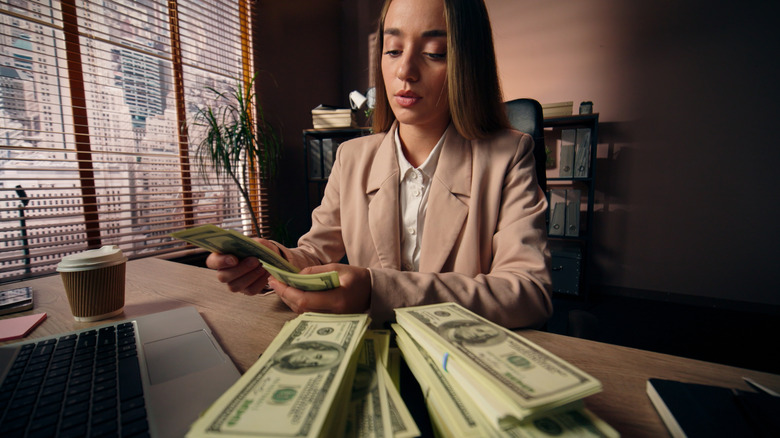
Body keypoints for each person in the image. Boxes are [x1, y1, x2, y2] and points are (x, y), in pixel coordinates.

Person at [207, 0, 552, 329]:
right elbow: (314, 252)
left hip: (461, 356)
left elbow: (528, 292)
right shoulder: (352, 157)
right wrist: (273, 259)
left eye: (435, 53)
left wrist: (378, 292)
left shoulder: (509, 155)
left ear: (468, 64)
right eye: (393, 50)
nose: (405, 71)